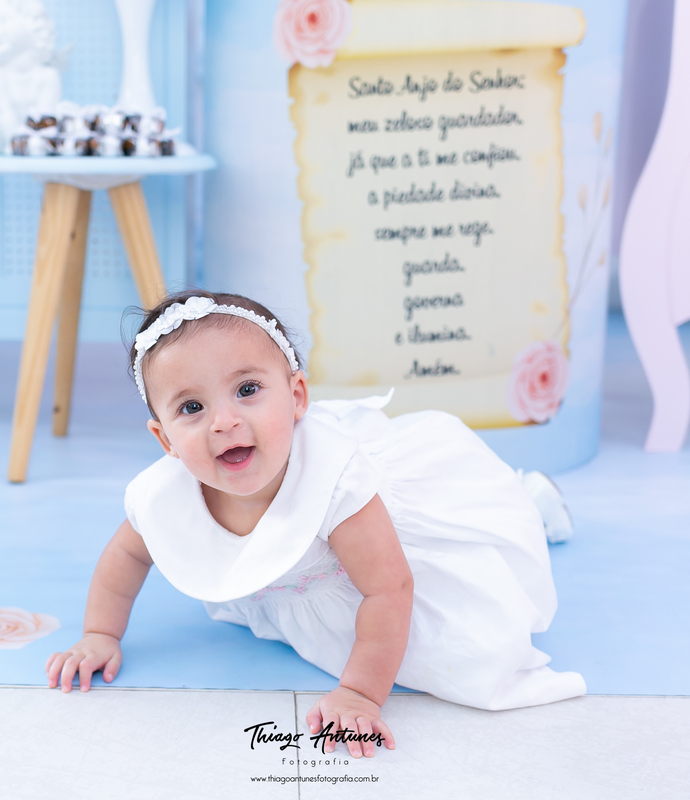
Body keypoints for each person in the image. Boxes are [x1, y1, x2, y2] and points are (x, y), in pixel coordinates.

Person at [45, 290, 585, 758]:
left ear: (297, 396)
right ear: (164, 440)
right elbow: (127, 557)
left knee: (474, 614)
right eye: (191, 407)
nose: (225, 421)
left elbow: (390, 587)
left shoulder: (335, 482)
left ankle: (530, 499)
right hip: (299, 581)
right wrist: (100, 633)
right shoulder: (165, 493)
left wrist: (360, 693)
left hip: (383, 569)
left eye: (248, 390)